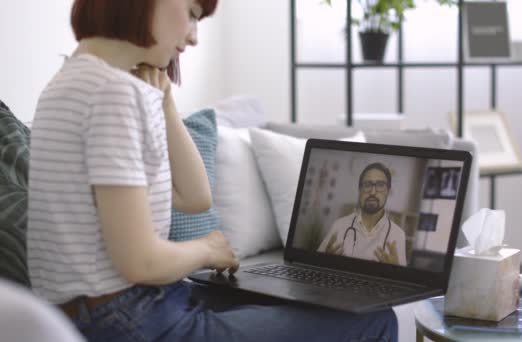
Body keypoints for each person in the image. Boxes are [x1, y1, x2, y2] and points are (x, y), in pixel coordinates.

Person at [26, 1, 398, 341]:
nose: (193, 35)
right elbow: (140, 261)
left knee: (328, 307)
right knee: (375, 320)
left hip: (101, 312)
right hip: (130, 317)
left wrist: (166, 104)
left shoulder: (70, 83)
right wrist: (205, 249)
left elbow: (195, 198)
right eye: (190, 12)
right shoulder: (113, 94)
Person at [318, 163, 407, 266]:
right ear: (360, 190)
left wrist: (395, 271)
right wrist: (323, 260)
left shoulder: (398, 235)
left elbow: (398, 280)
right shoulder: (339, 225)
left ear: (388, 191)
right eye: (367, 185)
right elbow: (316, 267)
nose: (373, 192)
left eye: (380, 185)